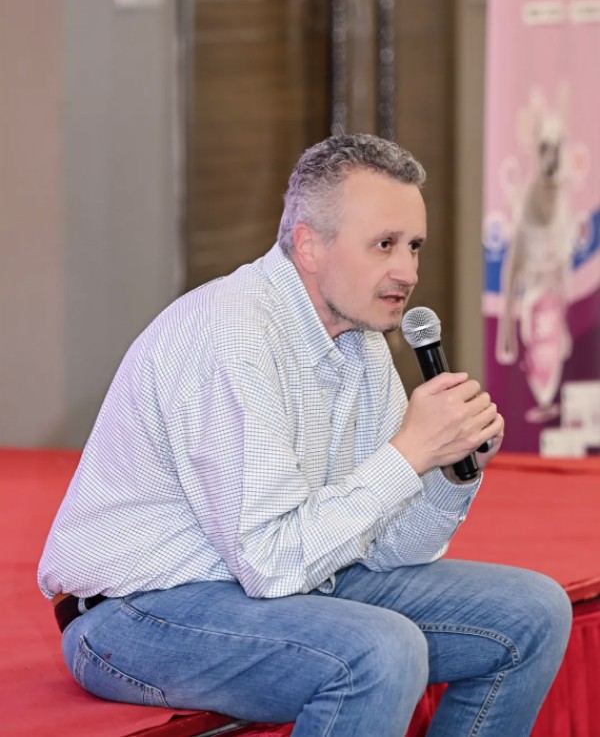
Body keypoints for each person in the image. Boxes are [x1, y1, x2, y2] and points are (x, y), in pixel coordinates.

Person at [39, 134, 572, 737]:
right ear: (309, 245)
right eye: (385, 245)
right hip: (138, 613)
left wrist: (447, 468)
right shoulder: (232, 334)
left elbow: (391, 550)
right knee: (379, 651)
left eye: (414, 246)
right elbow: (270, 563)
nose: (408, 271)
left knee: (533, 614)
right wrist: (408, 453)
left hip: (275, 586)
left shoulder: (361, 341)